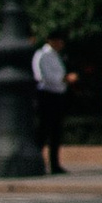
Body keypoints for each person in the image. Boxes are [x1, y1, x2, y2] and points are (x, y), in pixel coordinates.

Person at [32, 38, 67, 173]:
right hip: (47, 95)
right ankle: (37, 161)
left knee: (56, 131)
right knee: (44, 129)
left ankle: (54, 163)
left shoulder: (55, 55)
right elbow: (43, 76)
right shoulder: (42, 54)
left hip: (57, 95)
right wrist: (63, 79)